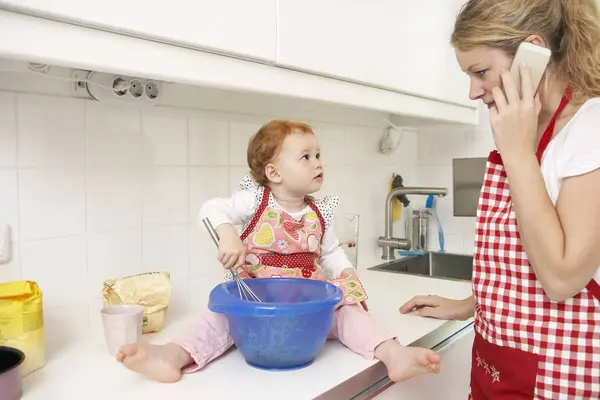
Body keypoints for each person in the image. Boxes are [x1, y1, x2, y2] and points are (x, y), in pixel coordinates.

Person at [117, 119, 440, 383]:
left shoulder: (319, 212)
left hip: (307, 308)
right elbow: (211, 208)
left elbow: (330, 252)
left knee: (348, 315)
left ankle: (392, 353)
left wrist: (346, 273)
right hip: (255, 308)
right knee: (217, 319)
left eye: (318, 155)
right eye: (306, 157)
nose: (318, 163)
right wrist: (228, 234)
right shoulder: (255, 202)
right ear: (274, 172)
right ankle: (172, 355)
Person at [400, 0, 600, 398]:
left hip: (560, 379)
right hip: (499, 366)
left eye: (480, 72)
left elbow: (561, 279)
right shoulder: (528, 130)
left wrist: (518, 151)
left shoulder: (589, 128)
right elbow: (526, 259)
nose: (473, 91)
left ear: (532, 52)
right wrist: (469, 304)